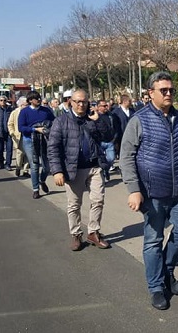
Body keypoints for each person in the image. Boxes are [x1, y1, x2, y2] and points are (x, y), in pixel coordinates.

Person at [120, 71, 178, 310]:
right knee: (153, 240)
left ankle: (168, 270)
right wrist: (134, 189)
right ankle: (155, 287)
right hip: (153, 192)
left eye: (171, 90)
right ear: (150, 93)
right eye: (163, 90)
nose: (169, 94)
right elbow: (127, 156)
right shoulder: (139, 120)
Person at [48, 89, 112, 251]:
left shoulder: (92, 118)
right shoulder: (61, 121)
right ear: (71, 102)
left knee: (98, 200)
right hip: (73, 168)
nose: (81, 104)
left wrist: (99, 121)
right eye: (77, 101)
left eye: (84, 101)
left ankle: (93, 232)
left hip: (94, 166)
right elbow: (53, 147)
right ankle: (76, 234)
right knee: (74, 204)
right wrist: (57, 171)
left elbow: (107, 136)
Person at [18, 91, 55, 199]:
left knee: (47, 166)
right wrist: (34, 129)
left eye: (39, 98)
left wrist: (48, 128)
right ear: (30, 101)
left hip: (44, 140)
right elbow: (21, 127)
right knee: (34, 165)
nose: (38, 100)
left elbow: (54, 122)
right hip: (30, 140)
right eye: (35, 98)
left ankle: (42, 180)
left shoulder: (46, 111)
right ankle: (35, 189)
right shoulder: (24, 112)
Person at [95, 99, 119, 180]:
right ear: (98, 107)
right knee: (100, 161)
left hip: (110, 141)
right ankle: (103, 172)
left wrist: (114, 139)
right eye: (104, 106)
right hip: (99, 142)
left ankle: (106, 169)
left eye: (106, 105)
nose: (106, 107)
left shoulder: (111, 115)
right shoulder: (95, 116)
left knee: (111, 158)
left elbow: (115, 128)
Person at [8, 97, 30, 177]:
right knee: (20, 153)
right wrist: (12, 132)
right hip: (18, 136)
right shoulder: (14, 113)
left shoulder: (29, 112)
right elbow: (10, 124)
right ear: (21, 105)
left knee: (28, 153)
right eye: (26, 105)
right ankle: (18, 167)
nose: (27, 106)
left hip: (28, 135)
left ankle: (25, 170)